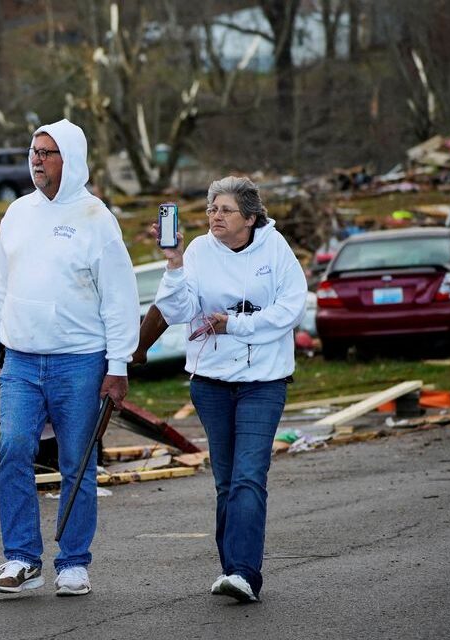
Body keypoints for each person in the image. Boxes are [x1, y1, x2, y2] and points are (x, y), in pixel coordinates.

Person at [0, 119, 139, 597]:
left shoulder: (96, 218)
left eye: (47, 152)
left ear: (70, 159)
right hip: (22, 361)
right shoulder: (17, 213)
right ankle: (22, 559)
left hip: (80, 361)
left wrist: (118, 365)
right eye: (33, 151)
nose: (36, 160)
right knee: (12, 450)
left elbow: (120, 299)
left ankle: (73, 562)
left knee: (77, 462)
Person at [151, 176, 307, 603]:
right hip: (212, 383)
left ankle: (244, 573)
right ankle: (231, 569)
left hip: (264, 382)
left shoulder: (275, 248)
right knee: (226, 481)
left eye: (225, 210)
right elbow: (179, 310)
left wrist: (236, 324)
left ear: (251, 218)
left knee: (249, 477)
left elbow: (291, 308)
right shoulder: (199, 250)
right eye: (211, 209)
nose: (215, 216)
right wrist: (174, 262)